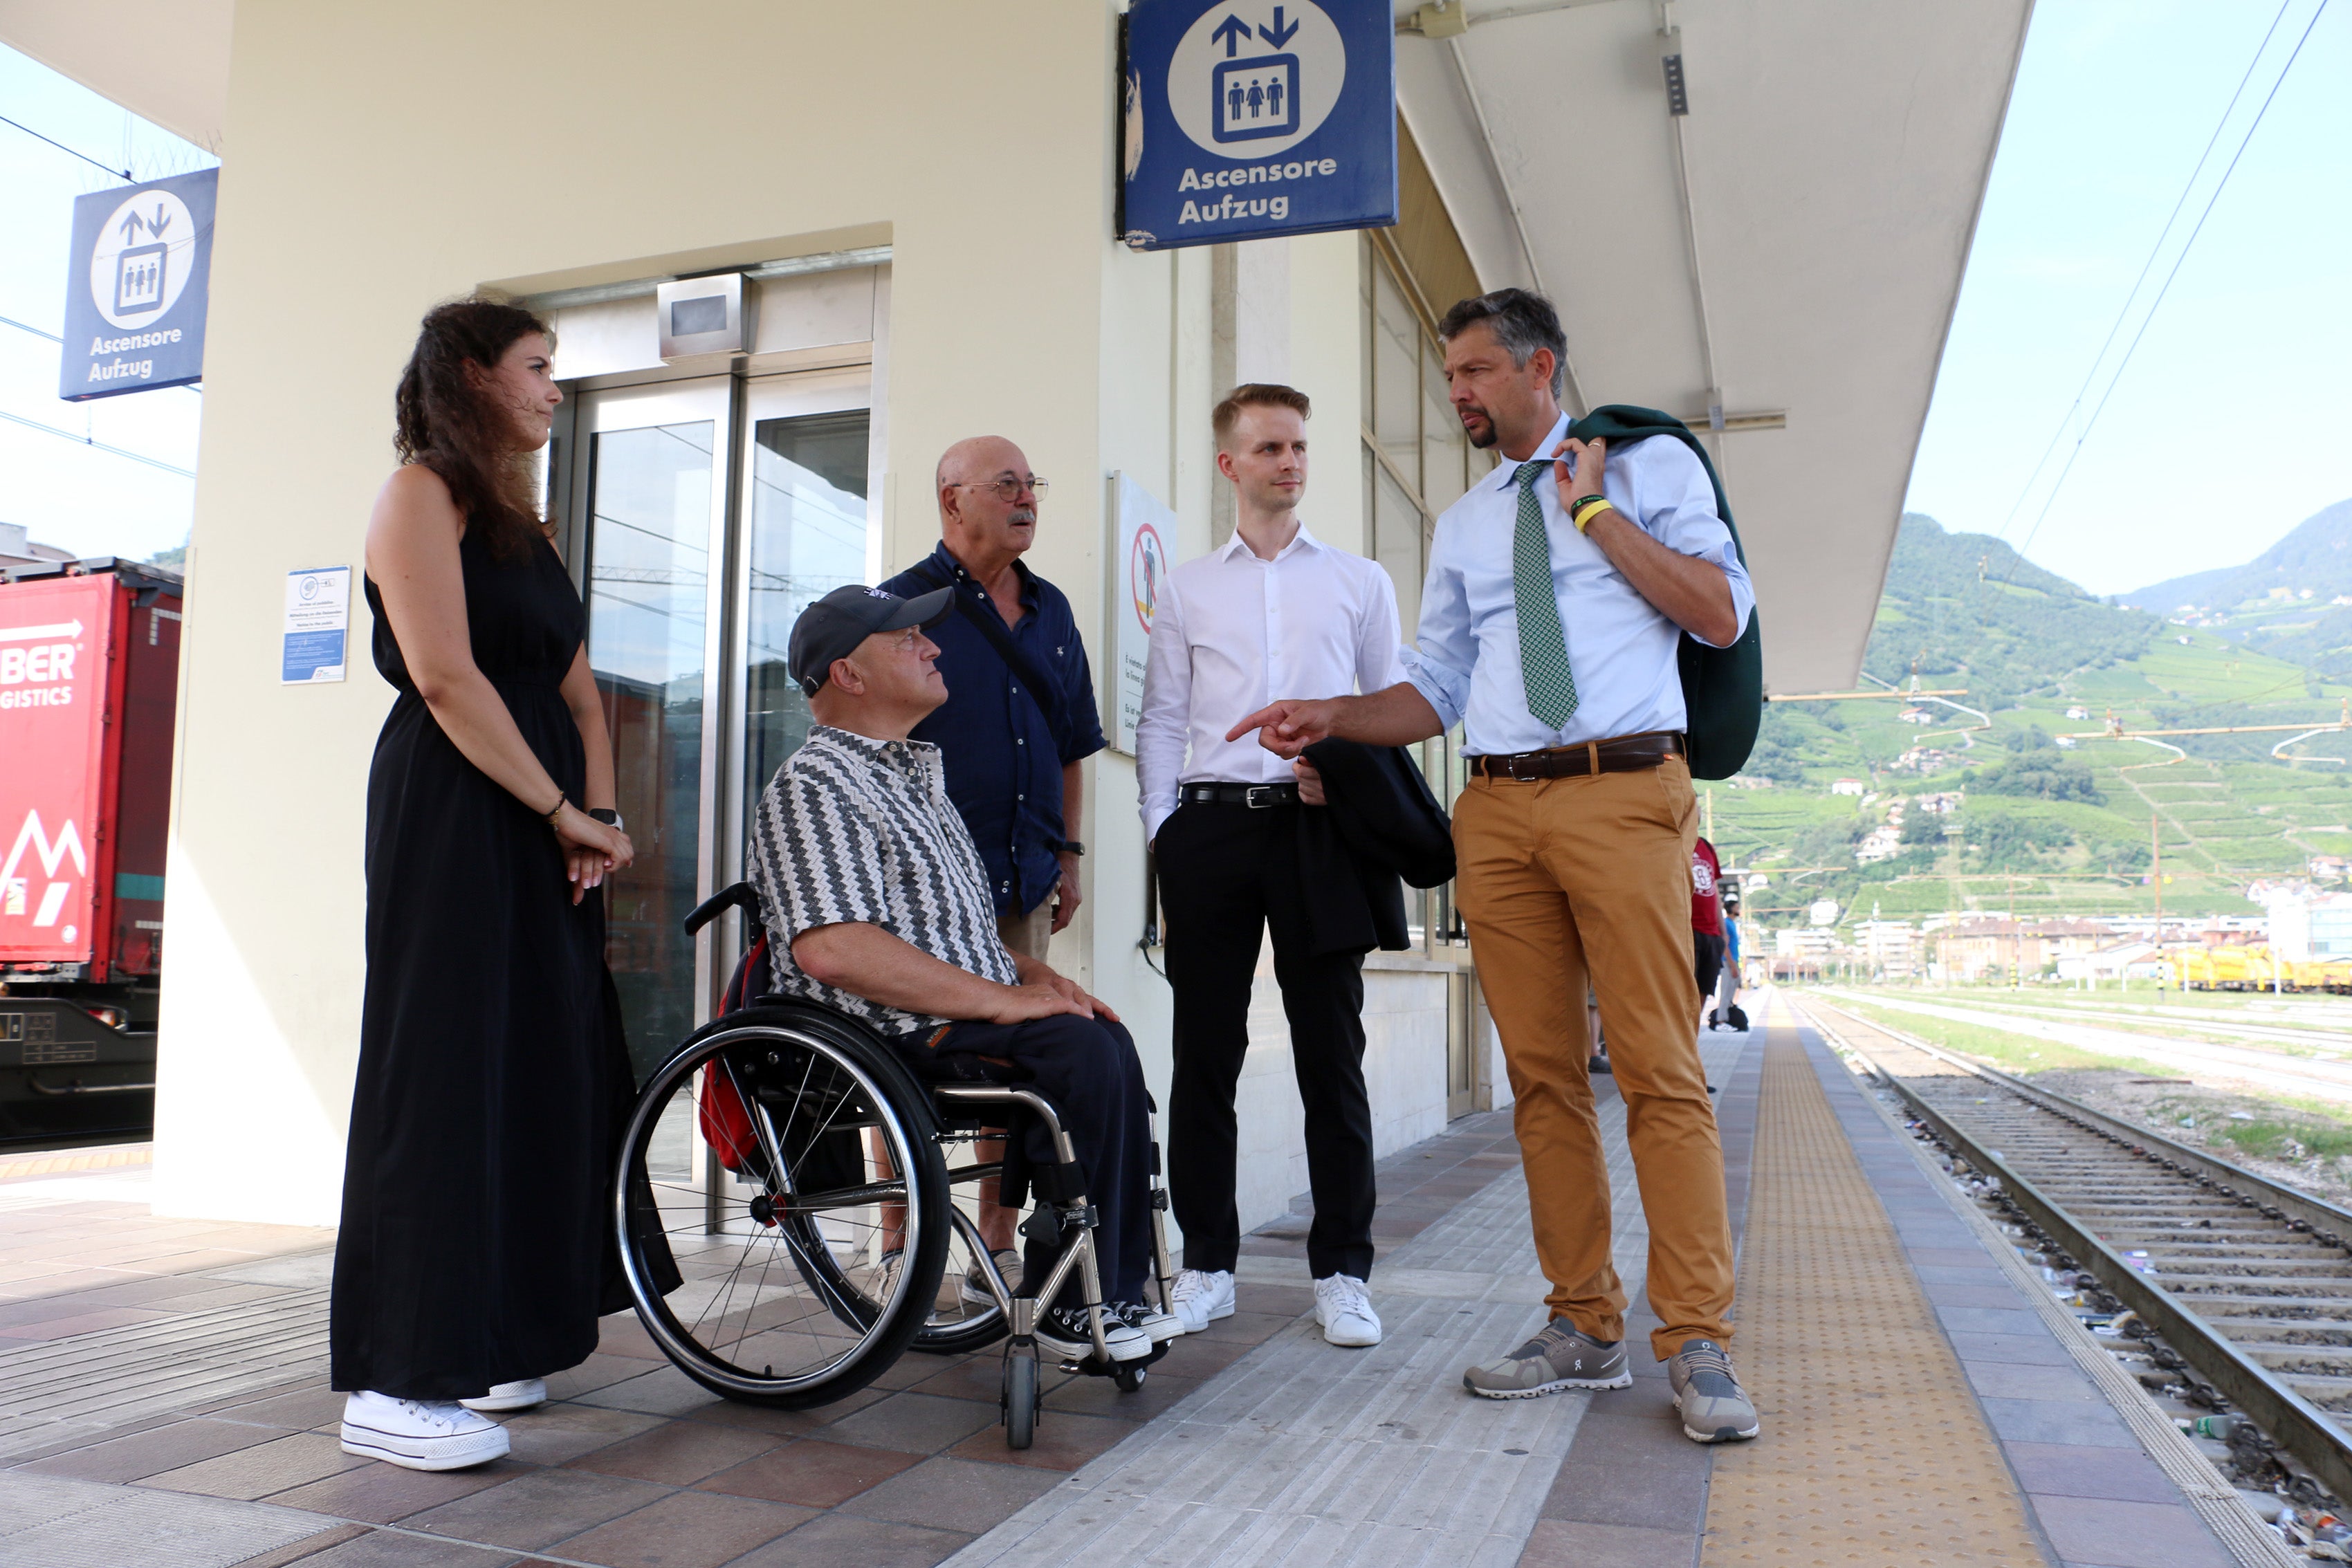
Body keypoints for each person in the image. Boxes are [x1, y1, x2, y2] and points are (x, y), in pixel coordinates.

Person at [1226, 288, 1763, 1443]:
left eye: (1474, 371)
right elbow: (1437, 683)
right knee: (1543, 1083)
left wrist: (1596, 516)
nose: (1458, 391)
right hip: (1500, 810)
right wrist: (1331, 712)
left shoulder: (1648, 466)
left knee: (1663, 1073)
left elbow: (1718, 613)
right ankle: (1582, 1323)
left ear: (1540, 368)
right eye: (1452, 372)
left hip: (1624, 789)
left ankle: (1699, 1340)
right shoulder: (1468, 523)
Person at [334, 298, 651, 1472]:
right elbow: (447, 679)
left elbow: (580, 695)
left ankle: (503, 1332)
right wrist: (560, 808)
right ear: (471, 376)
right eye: (537, 367)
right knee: (445, 1073)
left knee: (541, 1066)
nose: (553, 389)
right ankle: (394, 1375)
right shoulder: (422, 494)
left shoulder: (530, 526)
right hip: (458, 809)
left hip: (542, 822)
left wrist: (600, 818)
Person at [746, 583, 1173, 1361]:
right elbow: (832, 947)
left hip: (952, 1011)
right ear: (849, 673)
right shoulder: (812, 786)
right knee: (1076, 1053)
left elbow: (960, 934)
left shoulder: (918, 782)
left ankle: (1104, 1289)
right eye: (908, 638)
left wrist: (1040, 980)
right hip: (882, 1032)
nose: (933, 646)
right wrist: (1004, 1002)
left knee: (1102, 1037)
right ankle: (1081, 1301)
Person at [1138, 383, 1403, 1349]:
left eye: (1298, 445)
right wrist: (1162, 827)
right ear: (1231, 465)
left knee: (1332, 1053)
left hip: (1314, 830)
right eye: (1269, 448)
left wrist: (1353, 777)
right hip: (1209, 830)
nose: (1289, 461)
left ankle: (1343, 1269)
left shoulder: (1360, 581)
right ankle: (1206, 1262)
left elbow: (1387, 706)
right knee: (1204, 1053)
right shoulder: (1188, 588)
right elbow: (1164, 715)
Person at [878, 436, 1107, 1302]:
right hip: (925, 882)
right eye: (1006, 484)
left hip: (1023, 874)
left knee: (1012, 1065)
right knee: (902, 1057)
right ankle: (900, 1244)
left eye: (1031, 483)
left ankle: (994, 1251)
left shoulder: (1051, 611)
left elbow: (1073, 745)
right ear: (952, 500)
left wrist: (1071, 854)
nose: (1026, 498)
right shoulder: (901, 604)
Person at [1692, 835, 1726, 1007]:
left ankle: (1694, 1034)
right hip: (1689, 930)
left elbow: (1714, 891)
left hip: (1712, 933)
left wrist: (1723, 932)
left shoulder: (1706, 846)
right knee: (1686, 989)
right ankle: (1684, 1034)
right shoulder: (1675, 844)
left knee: (1704, 989)